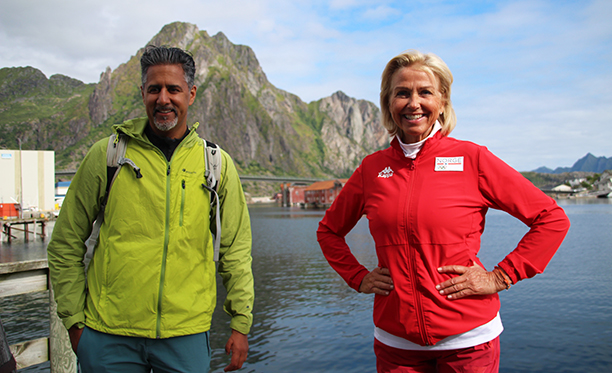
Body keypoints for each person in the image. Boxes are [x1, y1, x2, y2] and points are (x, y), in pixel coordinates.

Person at [317, 50, 570, 372]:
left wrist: (501, 276)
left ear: (443, 101)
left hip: (469, 343)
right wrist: (358, 277)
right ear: (388, 102)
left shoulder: (472, 159)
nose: (413, 103)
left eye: (425, 92)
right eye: (402, 93)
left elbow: (551, 219)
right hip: (396, 346)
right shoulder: (372, 169)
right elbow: (328, 232)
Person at [47, 46, 254, 372]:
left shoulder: (215, 164)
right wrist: (75, 323)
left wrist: (241, 322)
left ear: (191, 93)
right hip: (108, 335)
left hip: (185, 334)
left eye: (173, 89)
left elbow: (235, 250)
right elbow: (65, 243)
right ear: (143, 92)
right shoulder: (108, 156)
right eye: (154, 89)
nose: (163, 99)